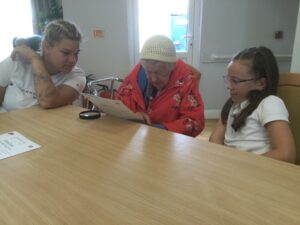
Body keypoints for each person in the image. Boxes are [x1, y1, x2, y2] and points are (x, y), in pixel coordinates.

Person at [209, 46, 296, 163]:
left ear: (261, 83)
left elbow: (286, 154)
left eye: (236, 81)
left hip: (257, 170)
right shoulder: (234, 103)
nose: (229, 86)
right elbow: (215, 139)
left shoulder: (270, 103)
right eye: (228, 79)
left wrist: (240, 163)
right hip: (233, 166)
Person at [116, 35, 205, 137]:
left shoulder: (186, 79)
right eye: (148, 72)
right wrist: (134, 116)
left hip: (170, 141)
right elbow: (120, 106)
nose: (153, 79)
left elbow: (195, 122)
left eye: (159, 73)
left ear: (172, 69)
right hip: (137, 137)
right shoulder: (137, 74)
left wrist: (158, 129)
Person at [0, 19, 86, 112]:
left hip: (45, 125)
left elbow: (47, 100)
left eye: (76, 53)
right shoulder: (15, 62)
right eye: (66, 53)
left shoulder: (76, 75)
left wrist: (35, 59)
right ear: (47, 46)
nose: (73, 60)